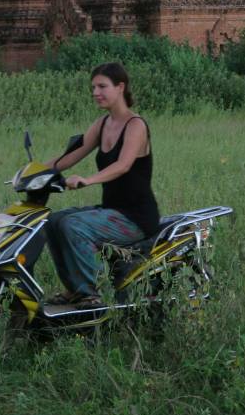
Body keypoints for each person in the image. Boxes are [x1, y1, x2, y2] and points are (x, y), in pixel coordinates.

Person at [44, 62, 160, 308]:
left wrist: (88, 180)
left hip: (136, 217)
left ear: (120, 87)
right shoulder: (102, 124)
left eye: (102, 86)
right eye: (93, 87)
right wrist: (35, 172)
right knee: (52, 221)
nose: (96, 92)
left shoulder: (135, 125)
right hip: (112, 211)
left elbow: (123, 165)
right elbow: (71, 156)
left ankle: (94, 293)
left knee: (73, 225)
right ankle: (75, 289)